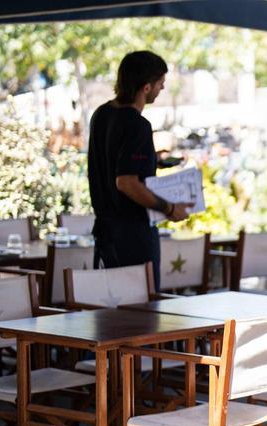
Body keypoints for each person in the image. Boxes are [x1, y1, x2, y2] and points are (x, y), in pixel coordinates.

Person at [87, 51, 192, 289]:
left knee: (108, 307)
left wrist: (154, 160)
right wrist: (169, 208)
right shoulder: (137, 125)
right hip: (132, 234)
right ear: (146, 87)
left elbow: (111, 160)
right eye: (160, 84)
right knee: (142, 312)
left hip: (105, 233)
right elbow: (126, 181)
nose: (162, 89)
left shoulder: (101, 115)